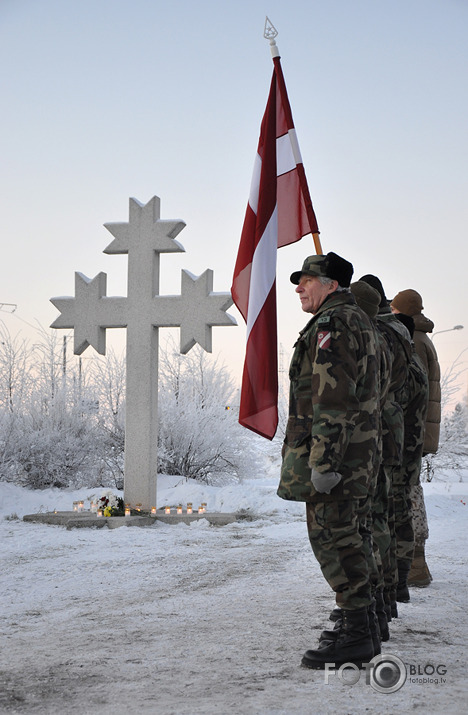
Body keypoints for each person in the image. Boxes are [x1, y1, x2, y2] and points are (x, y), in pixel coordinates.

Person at [278, 252, 380, 669]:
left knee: (335, 540)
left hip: (337, 459)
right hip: (353, 455)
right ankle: (361, 624)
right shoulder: (356, 321)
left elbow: (333, 399)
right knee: (349, 536)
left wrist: (324, 463)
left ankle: (356, 634)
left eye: (307, 280)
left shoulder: (333, 324)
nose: (299, 287)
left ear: (331, 284)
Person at [390, 289, 441, 586]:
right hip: (418, 433)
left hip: (410, 434)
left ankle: (416, 565)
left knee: (408, 495)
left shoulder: (415, 343)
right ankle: (413, 564)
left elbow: (410, 393)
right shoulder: (423, 339)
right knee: (409, 491)